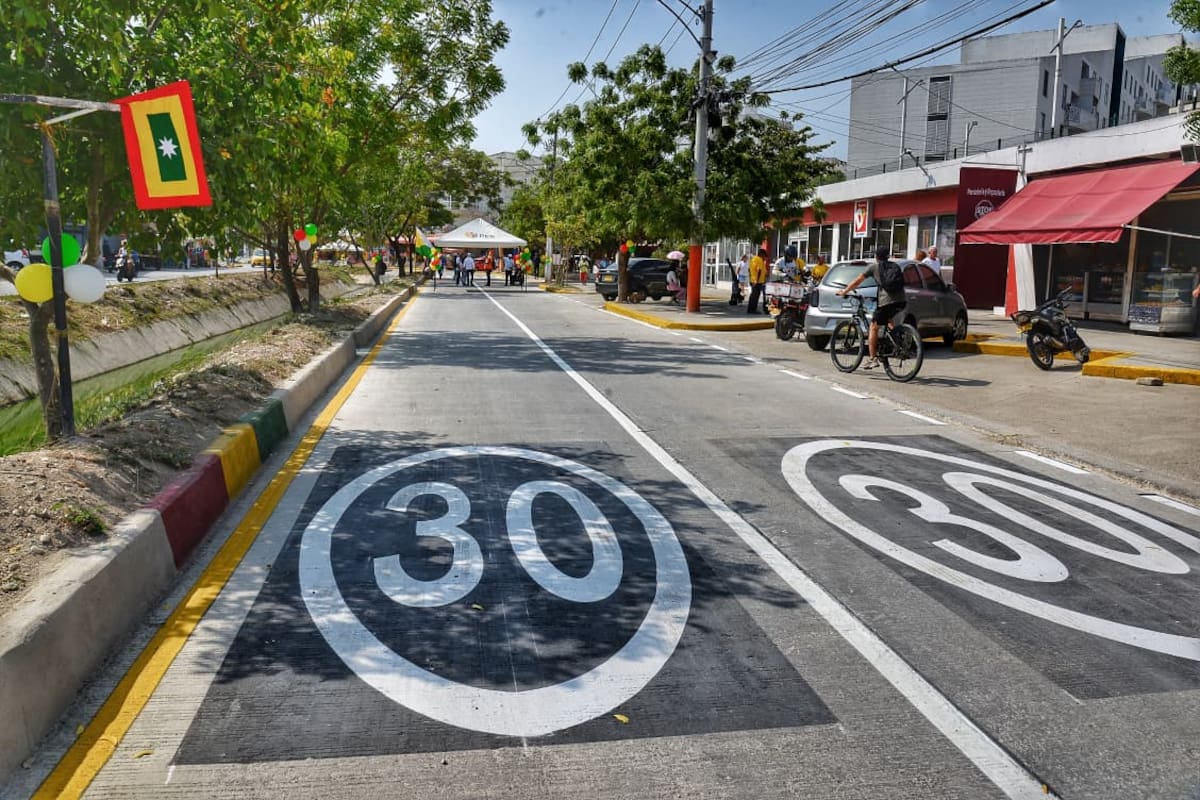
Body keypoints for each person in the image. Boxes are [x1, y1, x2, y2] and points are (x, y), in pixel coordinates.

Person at [837, 245, 906, 370]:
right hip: (901, 301)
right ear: (888, 256)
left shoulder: (874, 267)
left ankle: (872, 359)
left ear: (876, 257)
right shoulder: (895, 266)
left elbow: (857, 281)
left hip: (886, 302)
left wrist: (844, 291)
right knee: (888, 319)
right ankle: (897, 343)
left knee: (873, 326)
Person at [747, 248, 769, 315]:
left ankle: (750, 309)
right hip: (757, 282)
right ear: (761, 254)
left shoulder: (753, 259)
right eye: (764, 256)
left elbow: (749, 270)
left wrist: (751, 279)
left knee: (753, 295)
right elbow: (759, 270)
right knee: (755, 296)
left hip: (753, 280)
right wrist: (757, 280)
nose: (765, 258)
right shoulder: (759, 260)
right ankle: (753, 309)